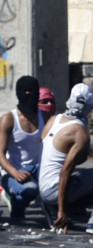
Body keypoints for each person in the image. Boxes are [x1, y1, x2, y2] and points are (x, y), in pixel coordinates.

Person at [38, 83, 93, 235]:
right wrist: (61, 211)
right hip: (54, 189)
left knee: (91, 178)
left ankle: (61, 208)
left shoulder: (54, 119)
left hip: (43, 188)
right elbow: (65, 172)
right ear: (90, 108)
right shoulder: (79, 133)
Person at [0, 76, 46, 220]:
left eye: (35, 91)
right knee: (30, 189)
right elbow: (0, 154)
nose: (32, 95)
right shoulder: (9, 119)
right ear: (20, 92)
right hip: (14, 172)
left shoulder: (44, 116)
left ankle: (18, 205)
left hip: (38, 169)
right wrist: (15, 173)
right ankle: (11, 194)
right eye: (28, 91)